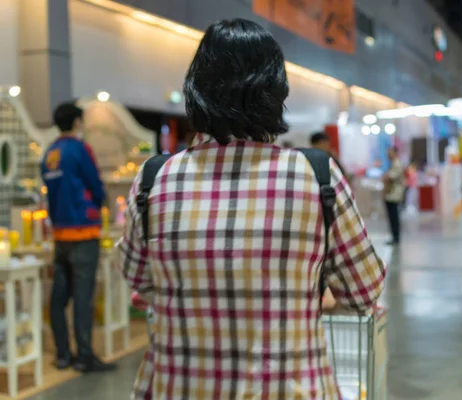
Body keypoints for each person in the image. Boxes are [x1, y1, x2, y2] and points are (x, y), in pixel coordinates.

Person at [117, 19, 386, 399]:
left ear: (196, 88)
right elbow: (364, 289)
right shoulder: (317, 177)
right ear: (275, 91)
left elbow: (138, 277)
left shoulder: (154, 180)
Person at [40, 103, 116, 372]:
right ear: (76, 122)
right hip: (84, 232)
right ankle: (85, 356)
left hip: (60, 236)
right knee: (83, 297)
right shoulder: (79, 150)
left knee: (59, 298)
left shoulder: (50, 153)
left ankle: (63, 354)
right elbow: (94, 184)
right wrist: (99, 202)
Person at [383, 147, 404, 245]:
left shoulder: (397, 164)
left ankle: (396, 237)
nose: (388, 155)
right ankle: (394, 236)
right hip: (390, 195)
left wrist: (386, 177)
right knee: (391, 218)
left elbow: (390, 177)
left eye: (390, 153)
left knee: (394, 217)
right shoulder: (392, 164)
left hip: (394, 195)